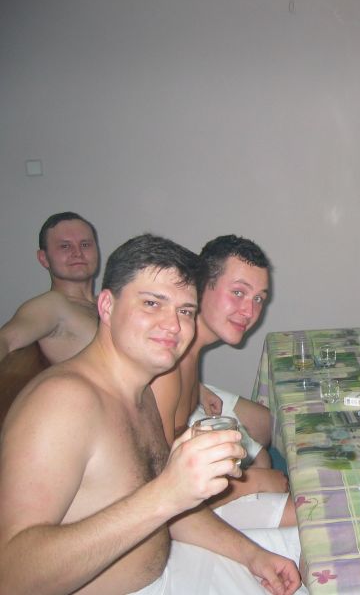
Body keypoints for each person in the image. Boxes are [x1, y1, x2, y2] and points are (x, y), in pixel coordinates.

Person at [0, 233, 302, 594]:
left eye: (184, 311)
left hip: (173, 565)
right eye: (152, 303)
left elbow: (173, 511)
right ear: (107, 306)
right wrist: (165, 494)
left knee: (323, 546)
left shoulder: (139, 392)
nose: (173, 325)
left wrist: (252, 555)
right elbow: (10, 577)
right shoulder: (62, 403)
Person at [152, 235, 295, 529]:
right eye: (238, 293)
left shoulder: (187, 353)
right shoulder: (166, 369)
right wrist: (250, 483)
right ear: (201, 285)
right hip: (181, 522)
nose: (249, 312)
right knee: (313, 518)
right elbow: (159, 494)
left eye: (258, 299)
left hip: (194, 497)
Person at [0, 212, 99, 364]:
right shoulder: (52, 305)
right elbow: (5, 341)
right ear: (44, 258)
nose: (78, 253)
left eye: (85, 245)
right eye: (65, 246)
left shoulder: (105, 303)